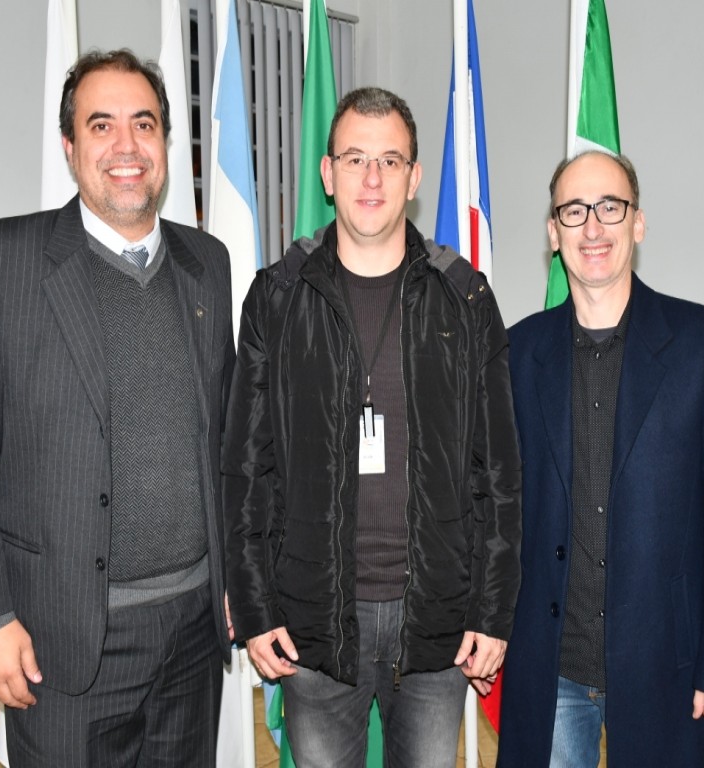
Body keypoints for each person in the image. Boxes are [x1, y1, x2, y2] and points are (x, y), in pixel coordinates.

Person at [0, 49, 234, 767]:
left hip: (194, 627)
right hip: (63, 637)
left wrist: (234, 579)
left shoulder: (209, 263)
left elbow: (222, 438)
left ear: (165, 144)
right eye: (102, 125)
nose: (126, 146)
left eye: (144, 124)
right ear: (70, 146)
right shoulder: (1, 260)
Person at [222, 87, 522, 767]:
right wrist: (256, 606)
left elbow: (500, 475)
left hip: (436, 622)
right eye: (356, 159)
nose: (372, 178)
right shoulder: (277, 298)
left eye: (390, 161)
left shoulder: (465, 298)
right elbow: (246, 470)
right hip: (314, 619)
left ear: (415, 179)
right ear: (327, 173)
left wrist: (492, 612)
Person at [497, 151, 704, 768]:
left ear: (638, 222)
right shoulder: (518, 351)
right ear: (553, 232)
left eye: (610, 207)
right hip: (552, 667)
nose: (593, 226)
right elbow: (498, 507)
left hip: (670, 665)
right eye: (574, 211)